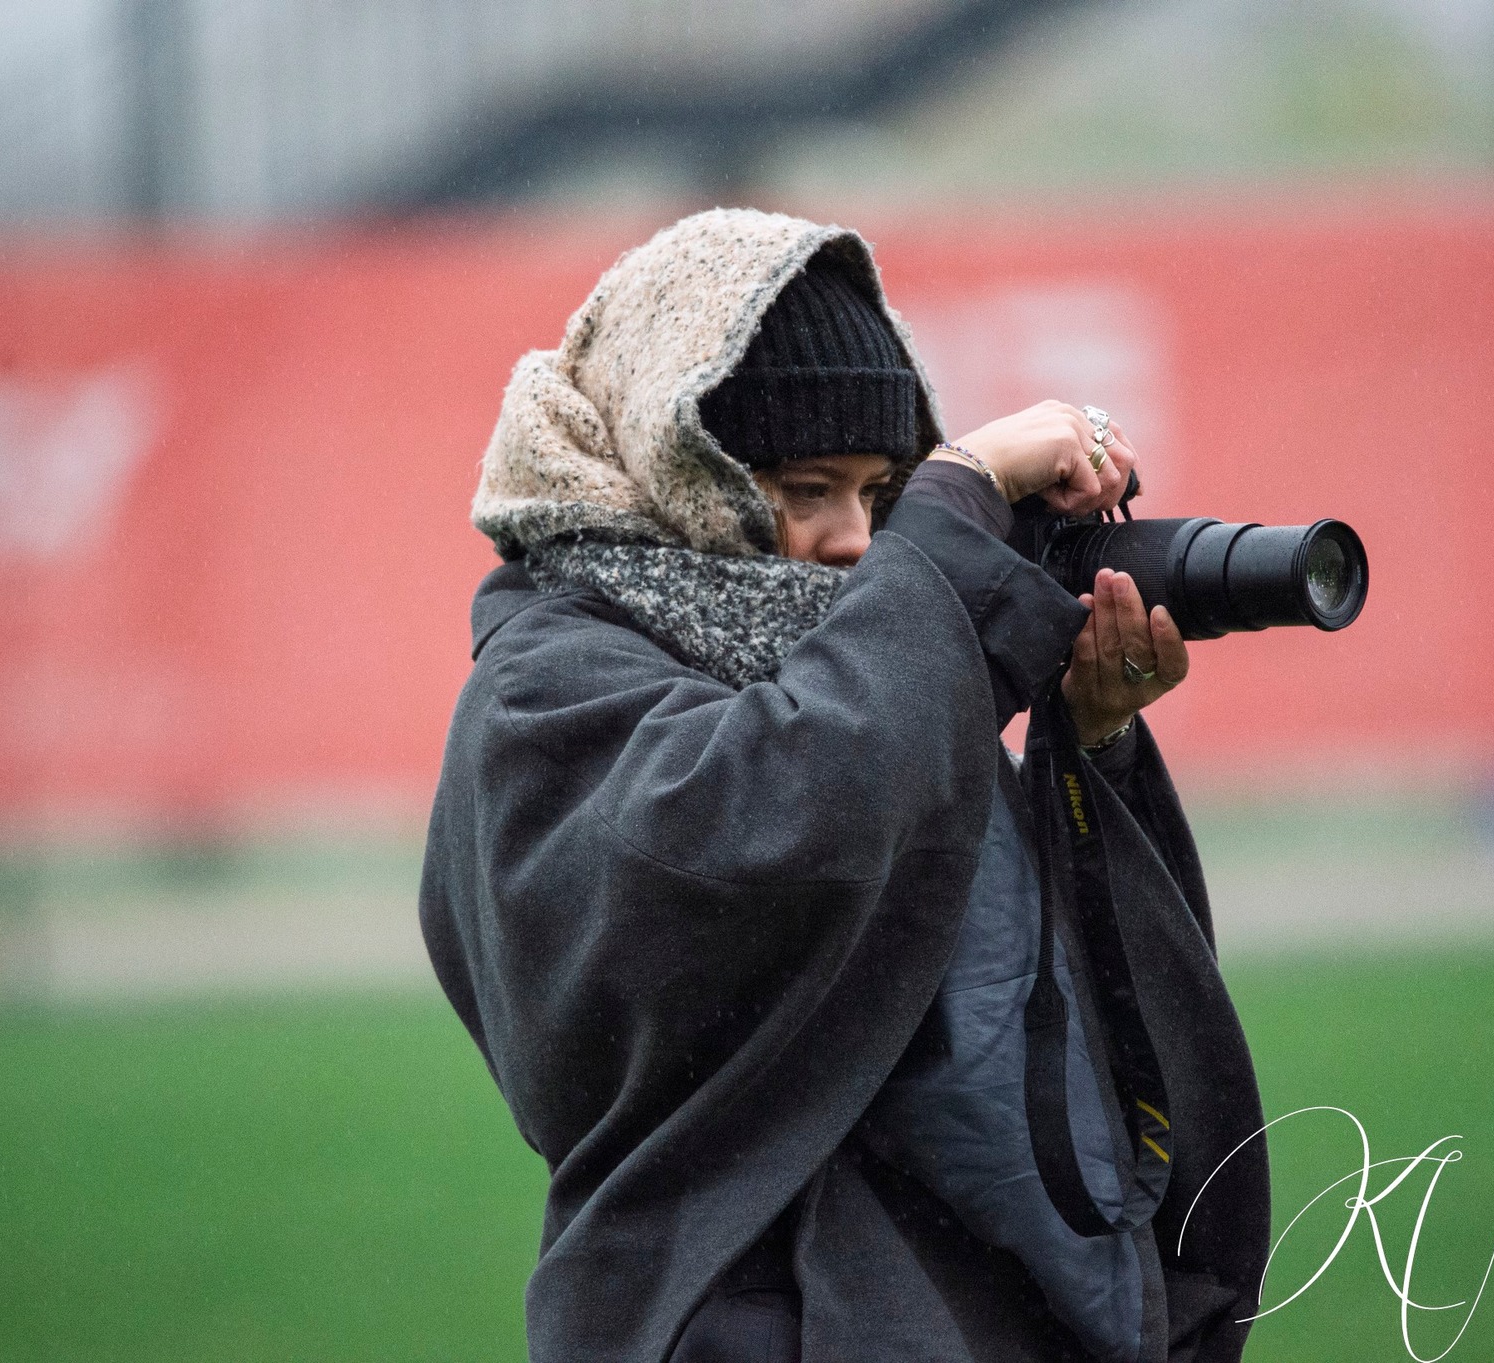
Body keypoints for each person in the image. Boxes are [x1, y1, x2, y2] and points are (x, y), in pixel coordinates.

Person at [419, 208, 1270, 1363]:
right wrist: (953, 527)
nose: (855, 540)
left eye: (882, 493)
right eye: (807, 486)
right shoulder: (540, 690)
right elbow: (756, 837)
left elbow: (1074, 1029)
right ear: (678, 466)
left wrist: (1087, 745)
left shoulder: (878, 690)